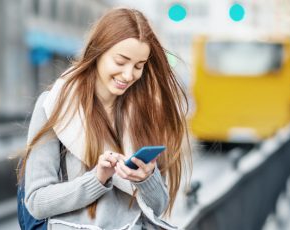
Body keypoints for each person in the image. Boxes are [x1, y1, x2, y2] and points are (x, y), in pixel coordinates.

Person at [17, 8, 191, 230]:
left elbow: (157, 207)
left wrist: (146, 179)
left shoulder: (142, 111)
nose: (129, 75)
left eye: (139, 66)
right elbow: (37, 202)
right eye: (120, 61)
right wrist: (97, 179)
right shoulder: (55, 105)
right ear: (98, 52)